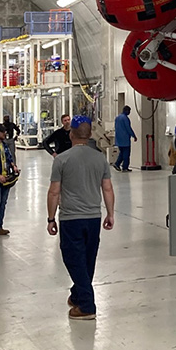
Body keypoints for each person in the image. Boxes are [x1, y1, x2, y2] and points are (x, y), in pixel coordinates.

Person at [46, 120, 114, 321]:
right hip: (93, 217)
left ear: (71, 134)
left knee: (73, 259)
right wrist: (110, 213)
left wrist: (50, 219)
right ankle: (77, 294)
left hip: (71, 218)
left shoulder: (61, 160)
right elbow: (107, 188)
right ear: (90, 134)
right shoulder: (100, 158)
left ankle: (86, 305)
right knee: (87, 258)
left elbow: (54, 192)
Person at [113, 106, 137, 172]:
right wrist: (134, 136)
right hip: (125, 139)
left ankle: (117, 164)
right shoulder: (125, 118)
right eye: (129, 111)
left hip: (118, 139)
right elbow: (128, 128)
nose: (129, 112)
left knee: (122, 153)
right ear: (126, 110)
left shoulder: (117, 118)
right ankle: (125, 167)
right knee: (126, 154)